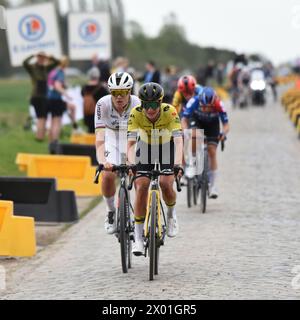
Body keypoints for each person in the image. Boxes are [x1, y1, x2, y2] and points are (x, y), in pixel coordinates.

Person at [127, 82, 184, 256]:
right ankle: (137, 238)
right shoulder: (135, 113)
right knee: (142, 186)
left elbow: (179, 140)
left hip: (167, 146)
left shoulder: (170, 111)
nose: (150, 109)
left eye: (154, 105)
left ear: (160, 103)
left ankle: (172, 214)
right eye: (146, 105)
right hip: (144, 147)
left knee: (166, 184)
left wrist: (177, 164)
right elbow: (130, 142)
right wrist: (130, 163)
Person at [95, 72, 140, 234]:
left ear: (130, 92)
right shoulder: (102, 104)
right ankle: (111, 211)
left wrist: (131, 160)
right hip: (112, 136)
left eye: (123, 93)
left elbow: (139, 135)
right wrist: (102, 161)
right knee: (107, 175)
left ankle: (140, 213)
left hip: (132, 137)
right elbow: (100, 137)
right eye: (115, 93)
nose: (119, 97)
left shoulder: (137, 103)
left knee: (138, 176)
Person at [181, 87, 229, 199]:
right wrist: (185, 131)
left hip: (212, 124)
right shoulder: (194, 101)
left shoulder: (219, 104)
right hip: (197, 120)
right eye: (204, 106)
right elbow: (184, 119)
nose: (206, 109)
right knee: (194, 135)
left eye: (209, 107)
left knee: (212, 152)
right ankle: (192, 163)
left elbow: (226, 125)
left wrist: (223, 134)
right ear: (200, 102)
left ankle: (212, 186)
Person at [23, 52, 60, 141]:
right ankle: (39, 137)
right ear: (37, 58)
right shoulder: (32, 68)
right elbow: (24, 63)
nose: (42, 59)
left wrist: (50, 56)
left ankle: (40, 137)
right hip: (36, 96)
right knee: (41, 117)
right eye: (40, 57)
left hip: (44, 96)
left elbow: (57, 63)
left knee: (43, 117)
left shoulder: (46, 68)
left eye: (43, 58)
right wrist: (32, 55)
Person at [47, 56, 77, 147]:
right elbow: (57, 86)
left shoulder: (52, 72)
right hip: (56, 99)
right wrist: (67, 95)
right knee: (57, 121)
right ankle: (55, 142)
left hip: (49, 99)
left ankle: (50, 142)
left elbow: (52, 84)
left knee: (52, 122)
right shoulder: (60, 72)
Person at [81, 67, 109, 133]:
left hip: (87, 113)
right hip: (98, 113)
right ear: (98, 75)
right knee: (99, 132)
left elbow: (82, 95)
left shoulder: (84, 88)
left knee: (90, 131)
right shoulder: (101, 88)